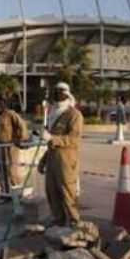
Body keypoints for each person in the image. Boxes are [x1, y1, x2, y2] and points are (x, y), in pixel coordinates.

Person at [39, 82, 83, 226]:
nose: (58, 96)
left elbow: (74, 140)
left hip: (66, 160)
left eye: (61, 93)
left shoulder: (74, 115)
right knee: (52, 192)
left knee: (67, 193)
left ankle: (75, 222)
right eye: (56, 93)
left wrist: (53, 138)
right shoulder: (53, 114)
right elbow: (51, 143)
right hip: (52, 158)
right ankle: (59, 221)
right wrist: (43, 160)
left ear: (67, 95)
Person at [0, 98, 28, 193]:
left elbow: (22, 125)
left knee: (12, 171)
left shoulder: (10, 114)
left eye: (1, 104)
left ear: (5, 105)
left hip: (11, 148)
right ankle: (5, 193)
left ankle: (18, 193)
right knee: (2, 171)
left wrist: (20, 139)